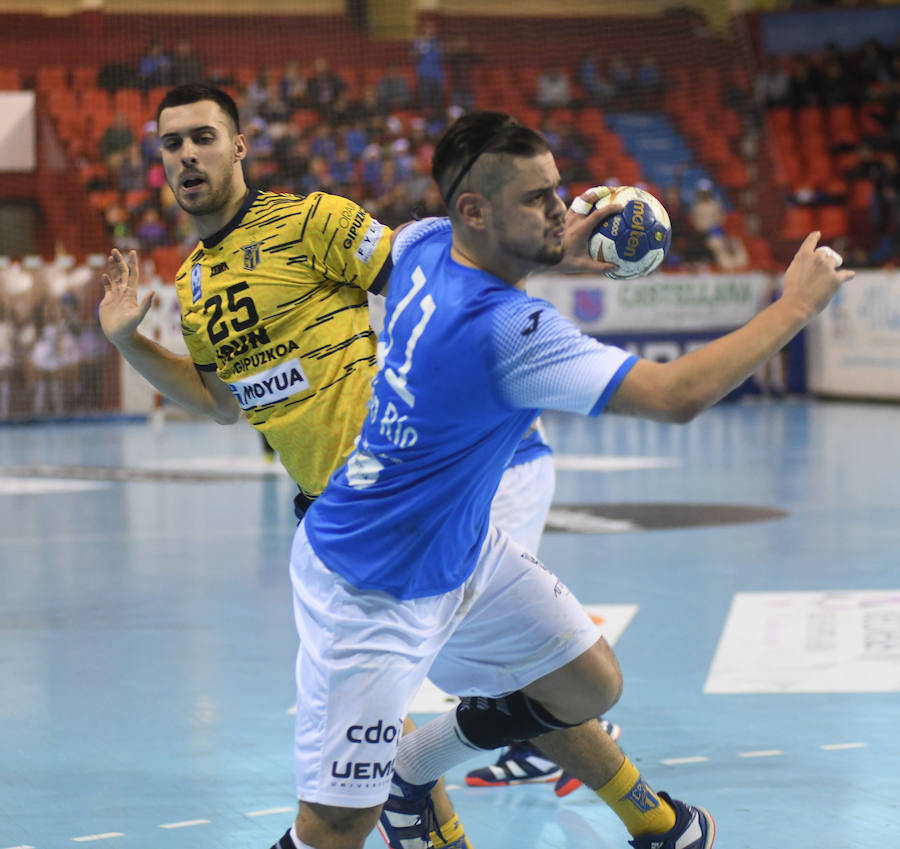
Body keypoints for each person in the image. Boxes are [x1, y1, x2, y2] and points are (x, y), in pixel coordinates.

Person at [272, 110, 852, 849]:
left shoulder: (420, 242)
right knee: (335, 829)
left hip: (461, 550)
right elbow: (674, 396)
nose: (561, 209)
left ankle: (412, 766)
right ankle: (398, 782)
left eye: (558, 191)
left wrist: (557, 247)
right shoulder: (510, 331)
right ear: (473, 210)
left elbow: (471, 258)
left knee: (587, 683)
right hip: (367, 580)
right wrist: (795, 305)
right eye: (536, 199)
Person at [97, 83, 596, 849]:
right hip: (339, 536)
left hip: (411, 500)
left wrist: (547, 238)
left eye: (203, 136)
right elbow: (221, 400)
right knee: (350, 801)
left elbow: (439, 279)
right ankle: (442, 794)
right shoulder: (195, 283)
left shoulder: (309, 221)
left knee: (563, 681)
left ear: (238, 147)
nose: (187, 154)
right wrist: (133, 342)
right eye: (171, 143)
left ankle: (454, 778)